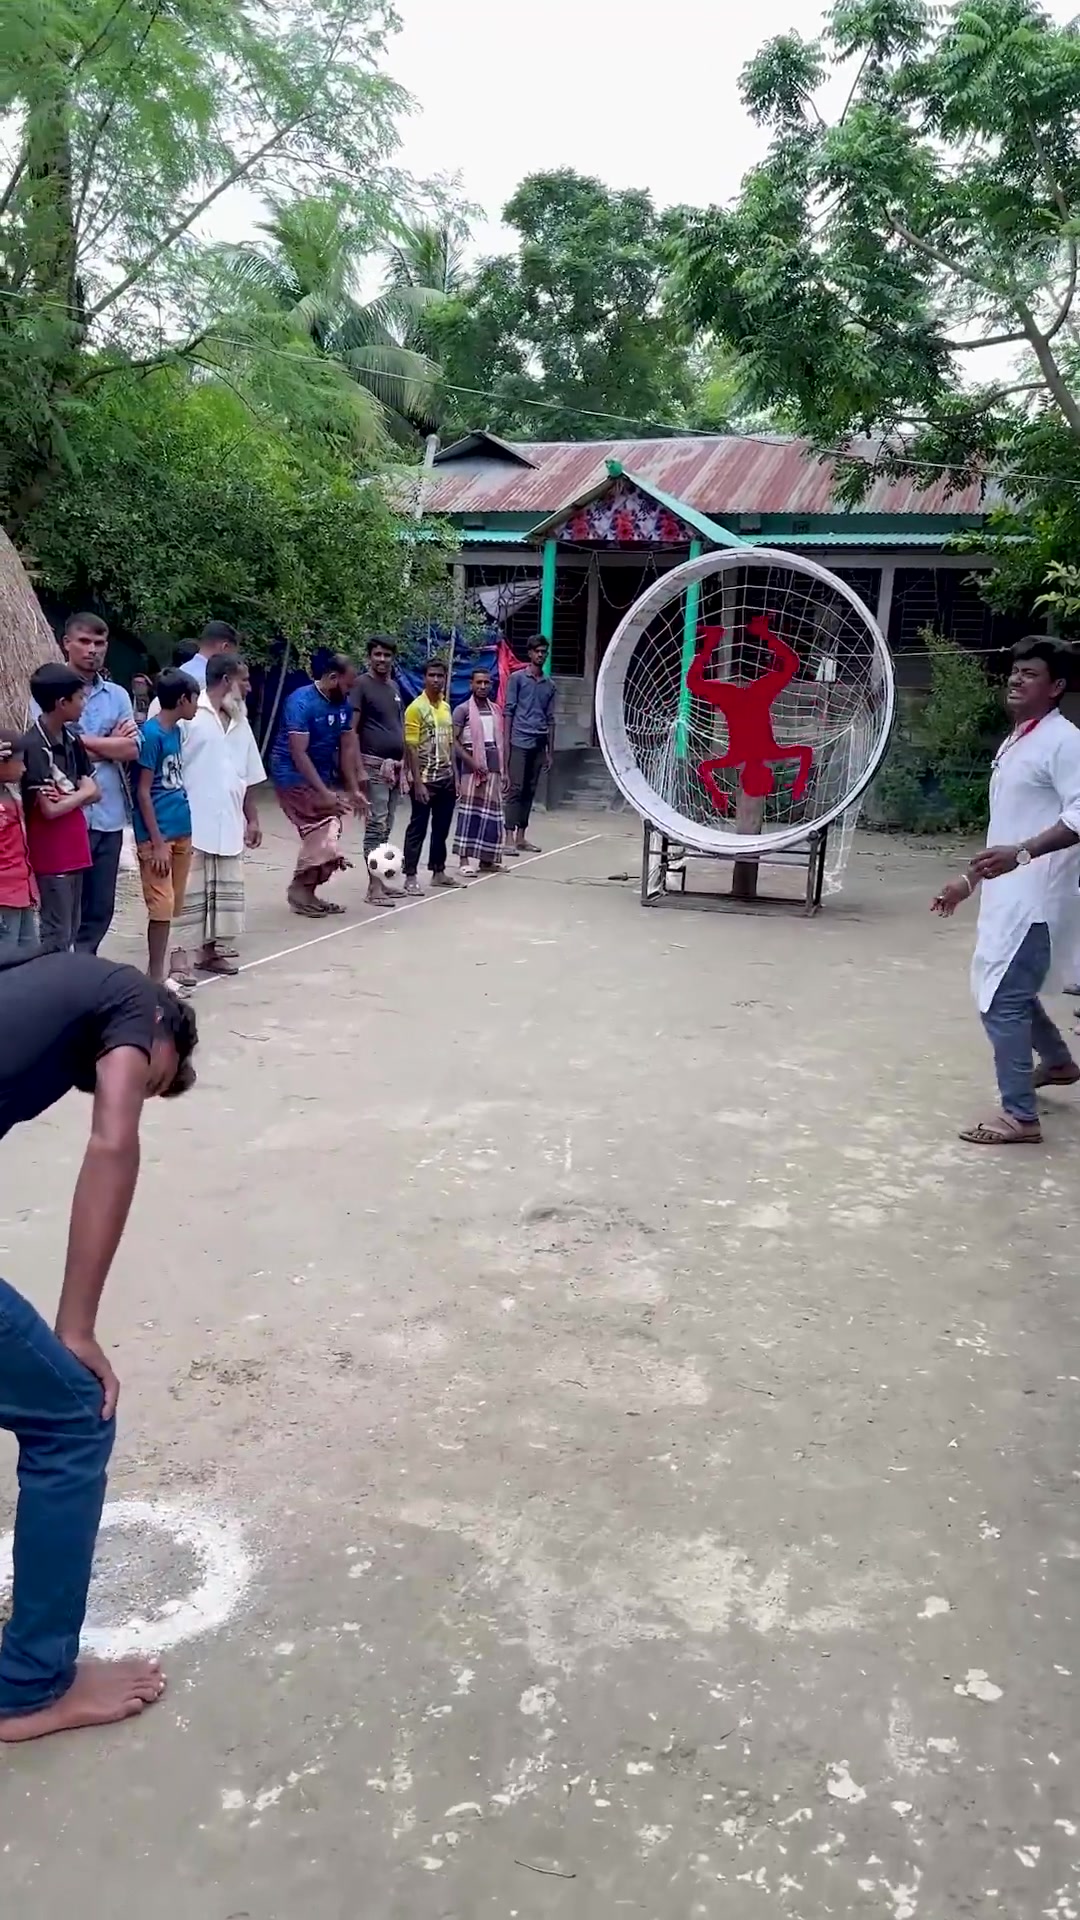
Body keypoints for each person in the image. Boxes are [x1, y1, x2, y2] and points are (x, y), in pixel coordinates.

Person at [0, 946, 197, 1742]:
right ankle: (30, 1688)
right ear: (161, 1027)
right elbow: (113, 1145)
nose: (133, 1087)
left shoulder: (35, 974)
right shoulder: (129, 999)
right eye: (152, 1077)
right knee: (73, 1414)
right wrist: (76, 1327)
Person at [931, 637, 1080, 1145]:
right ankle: (1058, 1063)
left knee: (1002, 1001)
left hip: (1038, 897)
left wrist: (1022, 854)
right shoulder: (1018, 739)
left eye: (1031, 673)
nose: (1016, 680)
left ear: (1056, 687)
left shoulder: (1065, 741)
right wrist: (969, 880)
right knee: (1005, 990)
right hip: (1008, 893)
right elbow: (1008, 826)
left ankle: (1021, 1116)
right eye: (1015, 671)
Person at [50, 613, 140, 954]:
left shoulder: (117, 695)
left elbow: (132, 748)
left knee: (100, 909)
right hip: (65, 814)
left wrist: (81, 742)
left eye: (99, 643)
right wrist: (107, 744)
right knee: (63, 911)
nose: (92, 650)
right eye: (84, 642)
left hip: (109, 816)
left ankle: (84, 974)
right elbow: (52, 749)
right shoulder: (49, 686)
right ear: (67, 643)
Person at [172, 653, 264, 976]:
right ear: (226, 680)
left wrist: (251, 818)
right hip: (192, 820)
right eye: (244, 681)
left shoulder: (240, 720)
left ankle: (209, 953)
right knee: (188, 895)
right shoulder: (190, 716)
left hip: (229, 820)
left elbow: (248, 773)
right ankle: (179, 962)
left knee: (222, 892)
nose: (249, 688)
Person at [270, 654, 364, 918]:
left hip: (319, 777)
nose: (349, 691)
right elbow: (299, 754)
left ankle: (306, 891)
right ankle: (300, 890)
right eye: (347, 685)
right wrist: (325, 794)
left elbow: (346, 747)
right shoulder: (300, 702)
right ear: (333, 678)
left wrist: (353, 788)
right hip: (291, 776)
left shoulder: (343, 704)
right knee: (327, 825)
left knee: (328, 828)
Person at [22, 664, 99, 953]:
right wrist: (82, 794)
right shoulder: (34, 746)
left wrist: (74, 796)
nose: (83, 703)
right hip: (51, 855)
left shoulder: (72, 740)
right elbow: (49, 810)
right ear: (61, 703)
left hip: (76, 849)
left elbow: (96, 791)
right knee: (56, 934)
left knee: (73, 928)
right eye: (79, 697)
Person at [133, 669, 200, 986]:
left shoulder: (176, 732)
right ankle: (155, 975)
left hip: (181, 827)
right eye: (195, 698)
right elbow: (143, 790)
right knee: (160, 906)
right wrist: (157, 842)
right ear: (184, 699)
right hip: (157, 834)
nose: (197, 705)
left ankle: (166, 967)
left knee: (174, 902)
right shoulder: (153, 734)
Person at [351, 636, 406, 905]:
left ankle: (381, 882)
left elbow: (398, 725)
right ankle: (373, 889)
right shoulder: (361, 685)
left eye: (387, 655)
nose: (382, 659)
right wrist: (358, 769)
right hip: (372, 766)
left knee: (386, 827)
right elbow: (351, 729)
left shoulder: (394, 687)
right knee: (376, 826)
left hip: (394, 769)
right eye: (377, 654)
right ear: (369, 656)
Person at [402, 659, 459, 896]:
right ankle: (411, 875)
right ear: (424, 678)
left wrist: (455, 775)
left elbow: (450, 743)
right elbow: (411, 748)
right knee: (418, 828)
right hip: (425, 780)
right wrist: (417, 782)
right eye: (432, 675)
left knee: (441, 829)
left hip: (446, 778)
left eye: (440, 676)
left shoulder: (446, 708)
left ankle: (438, 872)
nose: (436, 680)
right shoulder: (415, 708)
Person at [503, 638, 556, 855]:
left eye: (544, 652)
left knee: (530, 789)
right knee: (515, 788)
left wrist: (550, 752)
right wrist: (506, 744)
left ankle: (521, 837)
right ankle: (508, 837)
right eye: (537, 652)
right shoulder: (517, 679)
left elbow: (551, 718)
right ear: (530, 654)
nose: (541, 655)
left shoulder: (549, 685)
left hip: (538, 740)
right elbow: (509, 712)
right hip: (519, 740)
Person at [453, 666, 506, 875]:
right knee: (469, 814)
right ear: (471, 685)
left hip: (493, 768)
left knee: (492, 816)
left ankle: (487, 860)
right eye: (479, 682)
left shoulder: (495, 709)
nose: (483, 686)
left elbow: (499, 741)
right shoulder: (463, 710)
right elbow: (454, 741)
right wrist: (472, 762)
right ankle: (463, 860)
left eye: (486, 682)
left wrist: (504, 771)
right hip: (471, 770)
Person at [0, 733, 38, 953]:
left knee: (27, 955)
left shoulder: (10, 795)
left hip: (20, 893)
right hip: (5, 895)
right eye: (19, 761)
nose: (24, 768)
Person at [176, 620, 238, 692]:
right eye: (233, 654)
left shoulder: (182, 670)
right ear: (225, 647)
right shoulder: (211, 681)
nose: (234, 660)